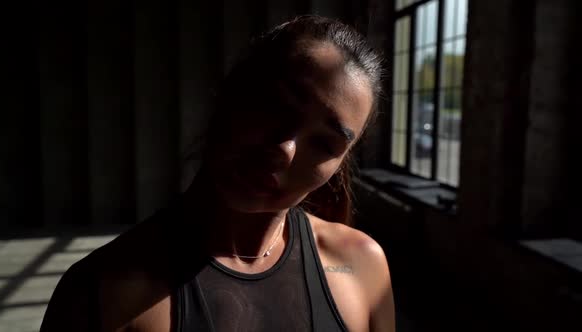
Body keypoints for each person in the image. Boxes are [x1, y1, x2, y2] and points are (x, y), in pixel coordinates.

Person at [41, 15, 395, 332]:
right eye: (275, 107)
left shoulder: (362, 265)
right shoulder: (101, 291)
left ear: (339, 165)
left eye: (324, 144)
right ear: (229, 94)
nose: (285, 151)